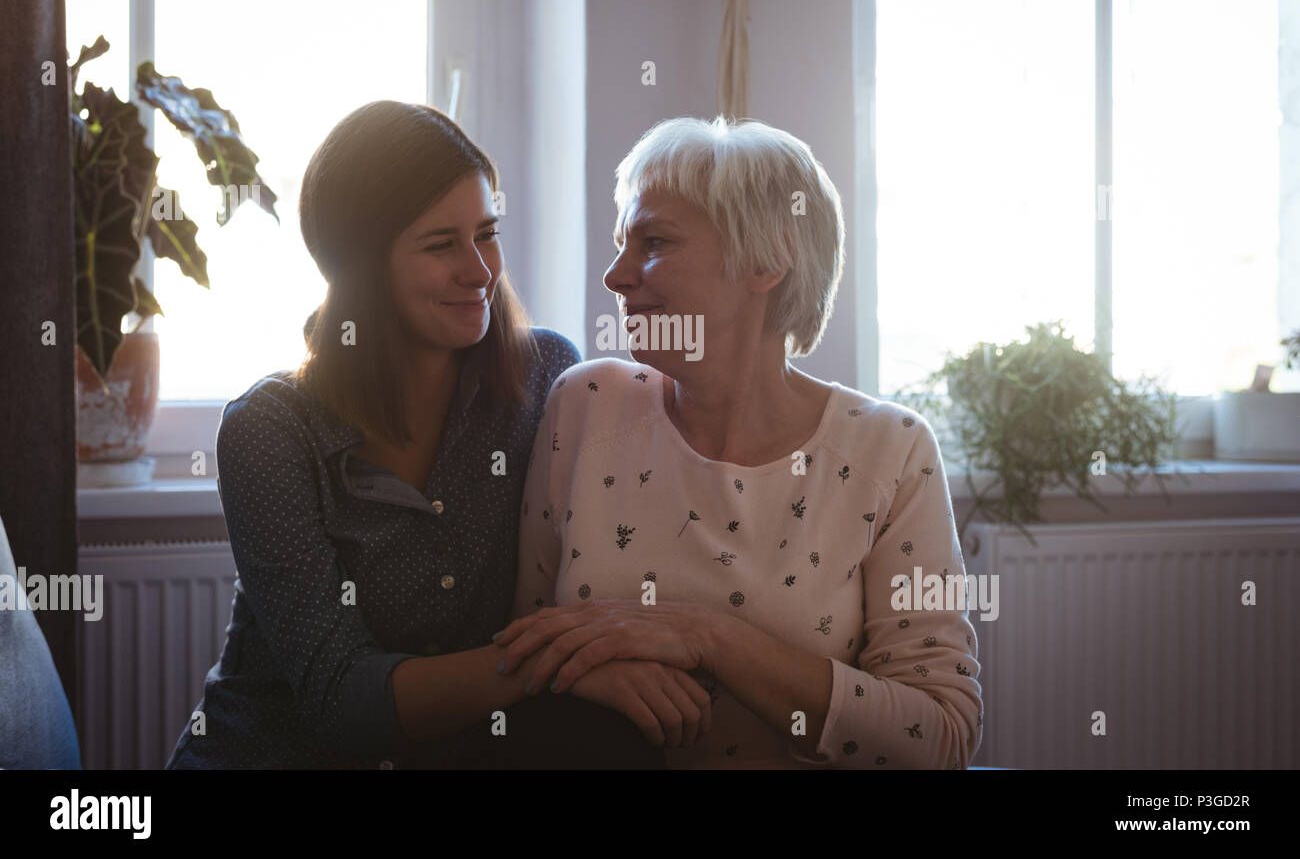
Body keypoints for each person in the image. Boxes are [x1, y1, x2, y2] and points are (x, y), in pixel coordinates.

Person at [164, 101, 707, 769]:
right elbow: (343, 701)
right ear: (361, 266)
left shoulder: (546, 378)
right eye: (441, 244)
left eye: (486, 231)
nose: (480, 270)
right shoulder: (271, 431)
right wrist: (558, 666)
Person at [496, 115, 984, 768]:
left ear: (767, 258)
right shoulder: (584, 405)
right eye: (621, 243)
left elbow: (941, 735)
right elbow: (520, 649)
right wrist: (582, 671)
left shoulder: (891, 451)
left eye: (654, 241)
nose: (615, 276)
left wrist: (708, 636)